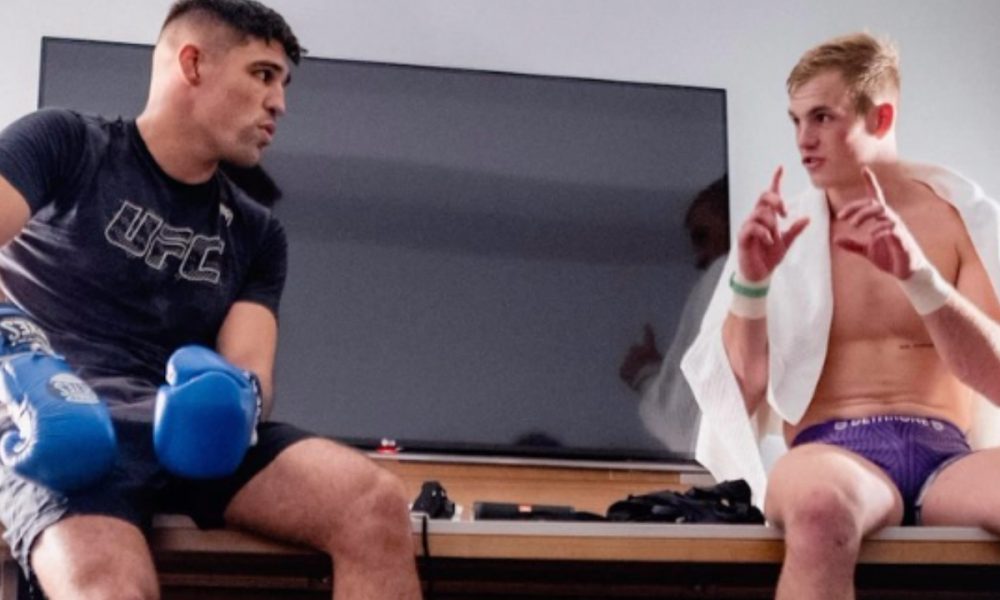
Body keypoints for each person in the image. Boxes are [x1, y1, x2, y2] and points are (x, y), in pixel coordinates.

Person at [0, 1, 422, 598]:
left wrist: (236, 396)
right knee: (110, 587)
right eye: (263, 75)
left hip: (189, 436)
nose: (279, 103)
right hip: (62, 428)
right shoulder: (66, 143)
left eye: (284, 83)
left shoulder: (255, 232)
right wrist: (21, 359)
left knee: (372, 504)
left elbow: (254, 368)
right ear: (193, 64)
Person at [681, 32, 1000, 599]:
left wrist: (918, 279)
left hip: (947, 455)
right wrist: (751, 285)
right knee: (820, 511)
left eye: (823, 118)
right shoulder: (781, 234)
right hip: (830, 451)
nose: (804, 140)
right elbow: (737, 395)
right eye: (796, 120)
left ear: (881, 117)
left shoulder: (958, 222)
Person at [619, 176, 729, 454]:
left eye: (702, 236)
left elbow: (682, 428)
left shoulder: (727, 273)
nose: (699, 258)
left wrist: (644, 374)